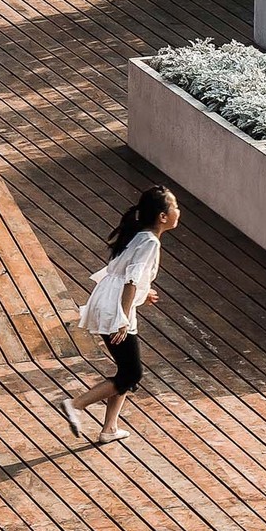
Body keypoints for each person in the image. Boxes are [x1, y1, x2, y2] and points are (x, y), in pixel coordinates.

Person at [62, 186, 180, 442]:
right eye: (175, 207)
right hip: (115, 307)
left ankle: (110, 429)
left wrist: (144, 293)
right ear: (162, 216)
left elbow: (128, 274)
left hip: (109, 300)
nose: (178, 212)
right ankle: (76, 405)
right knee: (131, 374)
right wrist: (123, 319)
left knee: (125, 370)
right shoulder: (150, 241)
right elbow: (130, 280)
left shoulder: (141, 234)